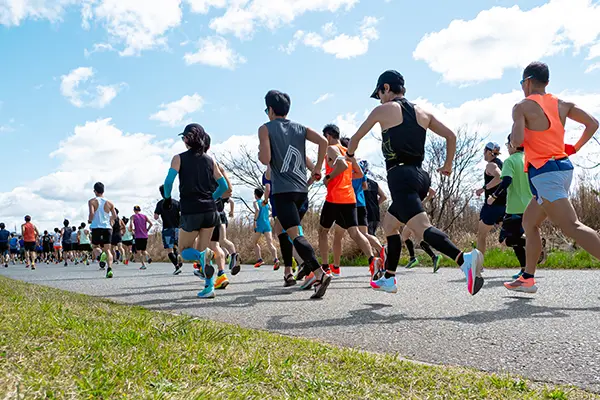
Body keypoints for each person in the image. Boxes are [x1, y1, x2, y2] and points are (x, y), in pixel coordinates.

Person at [347, 70, 484, 295]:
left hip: (400, 177)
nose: (380, 98)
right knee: (390, 225)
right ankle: (389, 278)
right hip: (420, 176)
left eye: (379, 93)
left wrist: (350, 156)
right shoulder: (422, 112)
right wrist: (448, 165)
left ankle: (464, 260)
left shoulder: (383, 109)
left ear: (386, 88)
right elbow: (451, 135)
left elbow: (354, 140)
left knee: (422, 228)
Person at [505, 61, 600, 293]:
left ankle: (528, 277)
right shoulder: (563, 104)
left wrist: (521, 129)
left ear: (527, 81)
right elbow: (593, 123)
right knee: (529, 222)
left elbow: (517, 141)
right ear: (546, 82)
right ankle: (527, 277)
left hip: (544, 172)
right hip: (563, 167)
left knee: (572, 225)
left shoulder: (522, 106)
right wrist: (574, 147)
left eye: (521, 83)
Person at [258, 89, 330, 298]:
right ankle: (293, 272)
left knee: (295, 235)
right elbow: (323, 142)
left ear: (270, 109)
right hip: (301, 191)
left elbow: (265, 158)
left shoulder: (265, 128)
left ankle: (319, 273)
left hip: (283, 192)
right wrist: (317, 168)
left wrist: (261, 150)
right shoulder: (300, 127)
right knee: (284, 231)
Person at [163, 123, 229, 299]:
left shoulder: (179, 158)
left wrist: (168, 199)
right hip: (210, 211)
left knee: (184, 250)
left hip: (191, 211)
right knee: (203, 249)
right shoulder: (210, 159)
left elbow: (168, 182)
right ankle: (208, 287)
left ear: (186, 139)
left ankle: (203, 258)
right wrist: (212, 197)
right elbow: (223, 186)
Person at [319, 124, 383, 280]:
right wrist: (345, 178)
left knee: (322, 231)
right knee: (355, 233)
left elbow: (340, 165)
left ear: (328, 136)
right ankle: (372, 260)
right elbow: (359, 173)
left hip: (335, 197)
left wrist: (328, 178)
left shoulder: (331, 149)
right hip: (350, 198)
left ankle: (326, 268)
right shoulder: (348, 153)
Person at [475, 142, 506, 256]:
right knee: (507, 238)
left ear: (489, 152)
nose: (483, 154)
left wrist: (483, 188)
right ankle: (526, 242)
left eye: (484, 151)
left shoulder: (491, 165)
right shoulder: (502, 164)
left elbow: (499, 177)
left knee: (481, 235)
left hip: (492, 204)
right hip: (505, 205)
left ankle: (479, 265)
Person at [88, 182, 118, 278]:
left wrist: (89, 220)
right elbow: (115, 216)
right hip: (107, 227)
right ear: (103, 190)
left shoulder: (92, 201)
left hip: (96, 227)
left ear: (95, 191)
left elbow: (92, 214)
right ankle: (109, 269)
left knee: (94, 246)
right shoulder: (110, 203)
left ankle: (100, 256)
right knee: (108, 250)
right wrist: (110, 219)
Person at [155, 185, 183, 275]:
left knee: (169, 249)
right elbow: (182, 214)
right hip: (177, 228)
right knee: (176, 245)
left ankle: (177, 267)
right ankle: (178, 255)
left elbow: (155, 217)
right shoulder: (176, 203)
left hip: (167, 228)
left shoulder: (160, 204)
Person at [252, 188, 279, 269]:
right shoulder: (266, 203)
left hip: (259, 224)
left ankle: (259, 260)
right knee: (270, 243)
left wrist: (255, 220)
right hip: (267, 224)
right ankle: (276, 259)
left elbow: (257, 210)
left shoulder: (256, 202)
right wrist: (268, 216)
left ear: (255, 194)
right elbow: (273, 211)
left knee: (254, 242)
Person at [361, 162, 387, 236]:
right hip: (375, 213)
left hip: (365, 213)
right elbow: (383, 197)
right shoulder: (374, 183)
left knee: (367, 237)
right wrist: (375, 204)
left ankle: (380, 248)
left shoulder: (359, 184)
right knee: (372, 235)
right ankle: (378, 247)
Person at [130, 206, 153, 270]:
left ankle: (143, 265)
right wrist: (147, 230)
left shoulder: (133, 216)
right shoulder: (144, 216)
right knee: (144, 250)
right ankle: (148, 256)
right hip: (145, 236)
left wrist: (132, 230)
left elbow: (131, 225)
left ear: (134, 210)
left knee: (138, 251)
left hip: (138, 236)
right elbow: (151, 224)